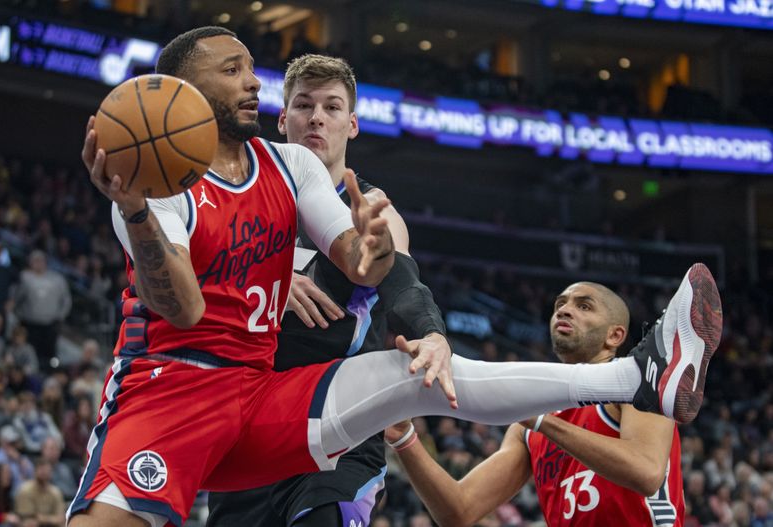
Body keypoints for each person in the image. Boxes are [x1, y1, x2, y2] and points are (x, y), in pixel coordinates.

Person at [68, 26, 721, 527]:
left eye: (252, 68)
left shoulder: (292, 169)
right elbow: (181, 307)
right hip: (172, 398)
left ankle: (635, 376)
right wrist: (136, 210)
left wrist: (378, 251)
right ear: (181, 91)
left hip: (274, 399)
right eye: (234, 69)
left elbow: (365, 262)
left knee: (416, 377)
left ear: (351, 122)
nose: (253, 82)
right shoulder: (150, 186)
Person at [206, 54, 450, 526]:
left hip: (336, 428)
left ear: (352, 124)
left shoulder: (375, 213)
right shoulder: (243, 203)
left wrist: (431, 331)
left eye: (332, 108)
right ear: (282, 119)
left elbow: (401, 284)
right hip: (249, 429)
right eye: (303, 105)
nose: (317, 117)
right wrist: (269, 278)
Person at [384, 281, 690, 526]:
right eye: (560, 305)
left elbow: (646, 473)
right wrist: (404, 438)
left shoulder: (639, 386)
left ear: (615, 335)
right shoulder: (528, 426)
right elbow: (459, 511)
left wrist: (543, 421)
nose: (565, 311)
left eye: (584, 306)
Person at [13, 250, 72, 369]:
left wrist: (60, 316)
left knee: (50, 353)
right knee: (30, 351)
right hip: (29, 323)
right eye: (35, 261)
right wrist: (18, 314)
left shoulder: (57, 279)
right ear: (30, 263)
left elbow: (66, 300)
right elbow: (16, 297)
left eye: (41, 260)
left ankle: (49, 371)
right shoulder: (24, 277)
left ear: (45, 262)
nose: (38, 263)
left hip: (50, 324)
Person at [14, 459, 65, 527]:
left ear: (51, 473)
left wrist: (43, 519)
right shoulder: (25, 490)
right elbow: (28, 518)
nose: (44, 473)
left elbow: (60, 518)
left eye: (47, 470)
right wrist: (51, 519)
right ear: (35, 471)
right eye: (41, 470)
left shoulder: (56, 492)